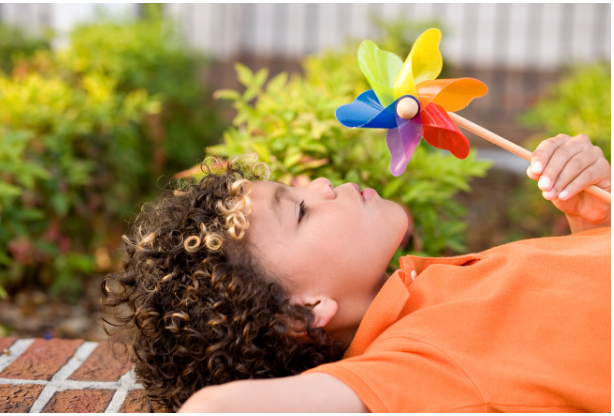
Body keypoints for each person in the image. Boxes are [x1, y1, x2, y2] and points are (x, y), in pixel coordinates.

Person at [101, 133, 611, 412]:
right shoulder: (413, 366)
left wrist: (593, 221)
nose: (321, 184)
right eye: (300, 211)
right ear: (301, 315)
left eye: (297, 190)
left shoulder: (421, 296)